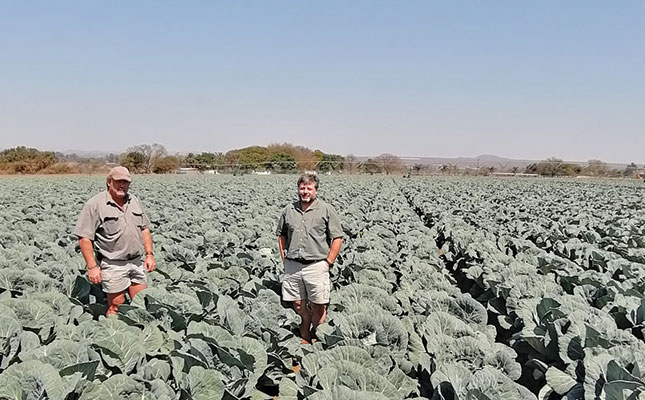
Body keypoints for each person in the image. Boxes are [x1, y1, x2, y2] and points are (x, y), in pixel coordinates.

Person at [74, 166, 156, 316]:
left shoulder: (134, 201)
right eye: (118, 181)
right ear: (109, 182)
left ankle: (136, 334)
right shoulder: (95, 204)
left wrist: (149, 254)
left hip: (136, 262)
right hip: (113, 264)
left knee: (142, 304)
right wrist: (92, 267)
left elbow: (144, 229)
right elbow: (85, 238)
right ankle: (112, 333)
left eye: (126, 182)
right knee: (116, 305)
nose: (122, 185)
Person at [276, 172, 343, 343]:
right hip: (293, 265)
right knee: (298, 304)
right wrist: (285, 257)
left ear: (316, 190)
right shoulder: (289, 210)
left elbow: (337, 237)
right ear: (298, 189)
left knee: (318, 305)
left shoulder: (326, 209)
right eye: (302, 188)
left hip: (316, 265)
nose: (305, 191)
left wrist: (328, 262)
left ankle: (317, 336)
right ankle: (304, 334)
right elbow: (281, 234)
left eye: (309, 188)